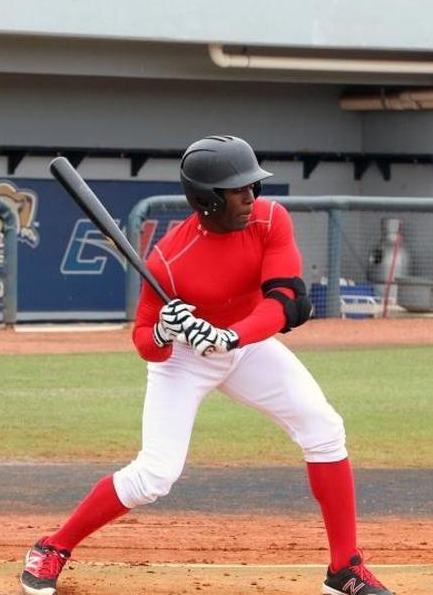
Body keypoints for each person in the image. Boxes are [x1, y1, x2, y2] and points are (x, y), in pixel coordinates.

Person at [20, 135, 394, 595]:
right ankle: (53, 546)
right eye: (239, 190)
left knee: (323, 428)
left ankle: (344, 569)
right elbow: (143, 340)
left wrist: (229, 336)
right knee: (156, 474)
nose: (252, 197)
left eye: (253, 186)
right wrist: (165, 331)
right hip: (184, 362)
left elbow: (290, 303)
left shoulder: (270, 220)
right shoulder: (168, 260)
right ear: (208, 201)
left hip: (247, 342)